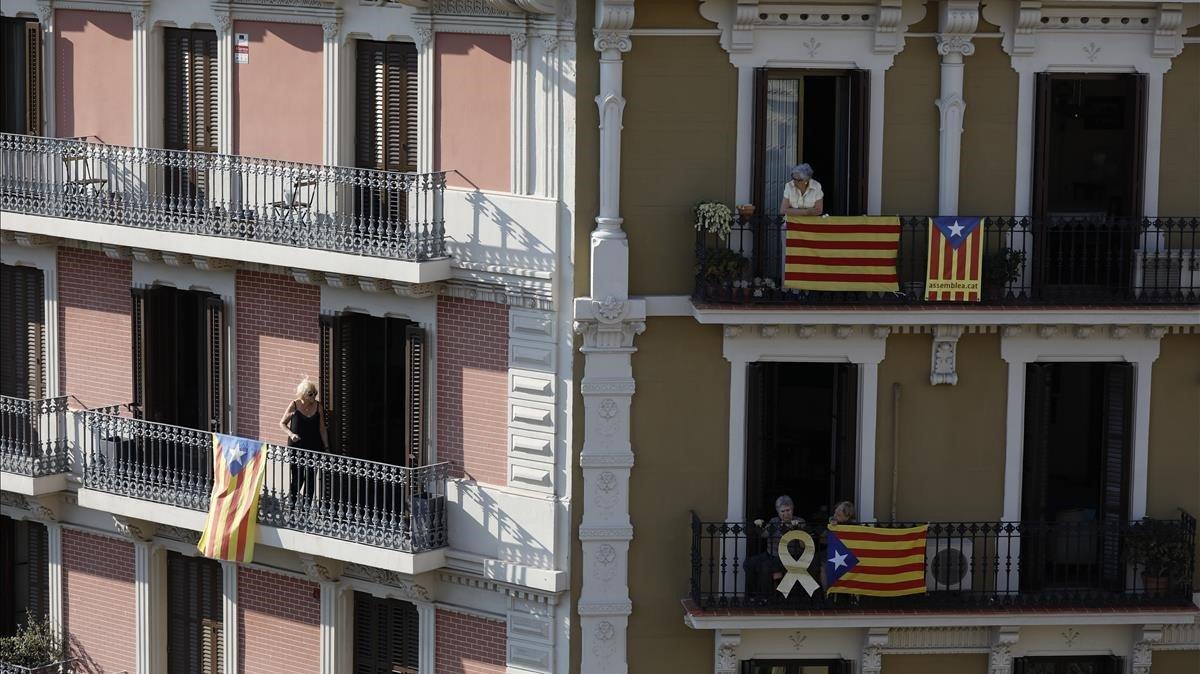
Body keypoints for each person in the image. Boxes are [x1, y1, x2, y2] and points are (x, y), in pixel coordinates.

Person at [746, 495, 807, 599]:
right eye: (782, 511)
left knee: (765, 567)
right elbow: (765, 535)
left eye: (788, 510)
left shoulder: (799, 521)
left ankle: (766, 597)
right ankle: (752, 593)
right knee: (749, 563)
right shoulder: (774, 522)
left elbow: (803, 544)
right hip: (771, 554)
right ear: (778, 512)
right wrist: (759, 526)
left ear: (792, 509)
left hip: (790, 556)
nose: (785, 514)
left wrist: (796, 529)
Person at [279, 377, 329, 502]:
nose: (314, 396)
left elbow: (322, 428)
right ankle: (292, 506)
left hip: (314, 447)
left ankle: (306, 510)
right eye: (310, 394)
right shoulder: (294, 405)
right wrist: (291, 434)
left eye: (315, 393)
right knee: (297, 478)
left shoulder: (318, 406)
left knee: (311, 479)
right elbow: (282, 423)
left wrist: (327, 447)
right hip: (296, 448)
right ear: (303, 394)